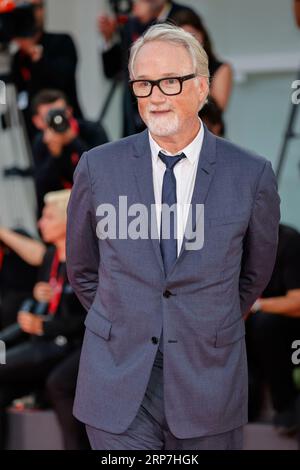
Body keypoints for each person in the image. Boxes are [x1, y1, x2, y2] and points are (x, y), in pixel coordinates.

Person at [67, 24, 280, 450]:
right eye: (144, 84)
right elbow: (82, 268)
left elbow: (254, 274)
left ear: (202, 87)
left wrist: (204, 319)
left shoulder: (250, 175)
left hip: (208, 381)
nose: (156, 96)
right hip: (117, 378)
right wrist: (127, 317)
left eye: (170, 81)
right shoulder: (97, 168)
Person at [0, 190, 86, 449]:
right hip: (45, 342)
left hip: (70, 343)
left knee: (57, 382)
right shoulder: (50, 257)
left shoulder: (88, 259)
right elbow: (46, 301)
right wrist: (38, 301)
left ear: (67, 221)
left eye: (48, 217)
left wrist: (45, 325)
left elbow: (89, 315)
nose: (40, 223)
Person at [99, 0, 196, 136]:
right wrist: (109, 39)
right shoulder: (133, 22)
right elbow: (114, 71)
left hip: (173, 108)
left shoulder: (183, 16)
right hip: (136, 115)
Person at [246, 224, 300, 433]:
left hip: (284, 328)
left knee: (265, 322)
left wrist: (255, 305)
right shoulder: (229, 240)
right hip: (245, 327)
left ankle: (286, 406)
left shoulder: (289, 241)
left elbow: (297, 302)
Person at [11, 0, 83, 141]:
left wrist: (37, 58)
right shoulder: (17, 58)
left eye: (35, 7)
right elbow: (18, 96)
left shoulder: (62, 42)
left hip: (66, 128)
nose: (31, 13)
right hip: (33, 137)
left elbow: (62, 79)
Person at [31, 89, 109, 214]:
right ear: (38, 122)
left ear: (69, 111)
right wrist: (55, 155)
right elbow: (42, 190)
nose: (57, 120)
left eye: (60, 113)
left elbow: (104, 170)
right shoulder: (41, 142)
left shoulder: (92, 130)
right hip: (65, 210)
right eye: (49, 116)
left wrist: (74, 141)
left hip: (99, 202)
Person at [172, 9, 233, 111]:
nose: (188, 43)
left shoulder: (221, 68)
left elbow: (216, 110)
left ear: (203, 36)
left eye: (192, 36)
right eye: (180, 39)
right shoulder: (167, 69)